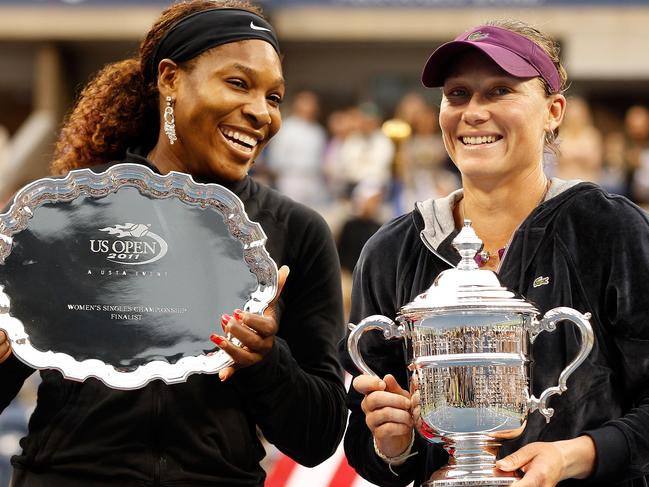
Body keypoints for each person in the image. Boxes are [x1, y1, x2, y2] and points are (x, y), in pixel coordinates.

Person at [0, 1, 346, 485]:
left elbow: (318, 437)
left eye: (275, 97)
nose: (260, 112)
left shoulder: (296, 230)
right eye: (238, 83)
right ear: (169, 79)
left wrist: (265, 361)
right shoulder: (63, 214)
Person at [339, 19, 649, 487]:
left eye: (500, 91)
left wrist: (574, 456)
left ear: (553, 111)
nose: (473, 112)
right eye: (458, 94)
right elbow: (367, 448)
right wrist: (392, 443)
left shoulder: (609, 228)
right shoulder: (392, 250)